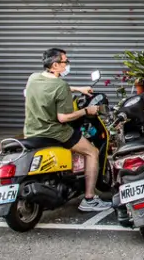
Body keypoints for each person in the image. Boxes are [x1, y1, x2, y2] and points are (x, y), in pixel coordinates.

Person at [24, 48, 112, 212]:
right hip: (55, 133)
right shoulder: (60, 85)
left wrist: (78, 89)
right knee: (92, 152)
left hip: (32, 131)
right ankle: (89, 199)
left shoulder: (33, 78)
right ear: (55, 65)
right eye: (66, 62)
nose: (68, 65)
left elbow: (51, 88)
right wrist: (87, 111)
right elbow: (63, 118)